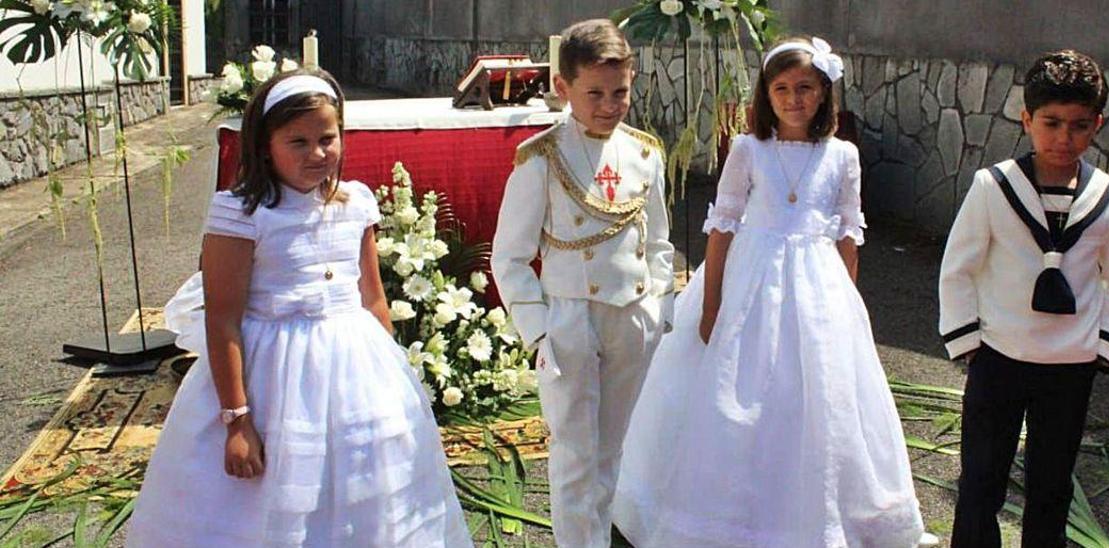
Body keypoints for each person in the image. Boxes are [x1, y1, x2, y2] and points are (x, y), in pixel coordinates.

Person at [127, 69, 472, 547]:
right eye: (298, 142)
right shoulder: (242, 213)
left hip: (355, 369)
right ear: (266, 144)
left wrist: (394, 385)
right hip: (269, 374)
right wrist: (238, 420)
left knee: (364, 495)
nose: (317, 153)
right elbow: (222, 317)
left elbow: (372, 298)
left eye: (327, 139)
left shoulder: (356, 203)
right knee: (272, 498)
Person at [612, 36, 926, 548]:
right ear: (766, 94)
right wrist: (711, 305)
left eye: (805, 87)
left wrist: (847, 310)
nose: (793, 98)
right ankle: (724, 516)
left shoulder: (842, 155)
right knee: (734, 395)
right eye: (781, 88)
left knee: (813, 402)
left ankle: (807, 519)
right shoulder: (748, 149)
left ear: (824, 93)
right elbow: (721, 230)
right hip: (749, 287)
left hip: (817, 290)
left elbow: (849, 236)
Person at [938, 50, 1109, 548]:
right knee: (982, 478)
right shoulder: (994, 187)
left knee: (1052, 484)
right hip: (998, 355)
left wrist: (1107, 345)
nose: (1063, 138)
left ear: (1097, 124)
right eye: (1050, 123)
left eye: (1078, 125)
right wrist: (967, 340)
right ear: (1026, 119)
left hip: (1070, 365)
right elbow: (958, 266)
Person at [490, 18, 675, 548]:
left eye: (620, 92)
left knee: (613, 448)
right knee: (574, 454)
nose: (609, 105)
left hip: (632, 316)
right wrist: (538, 332)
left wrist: (658, 305)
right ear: (562, 87)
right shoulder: (541, 157)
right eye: (594, 93)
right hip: (569, 320)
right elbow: (511, 257)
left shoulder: (644, 154)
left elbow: (660, 241)